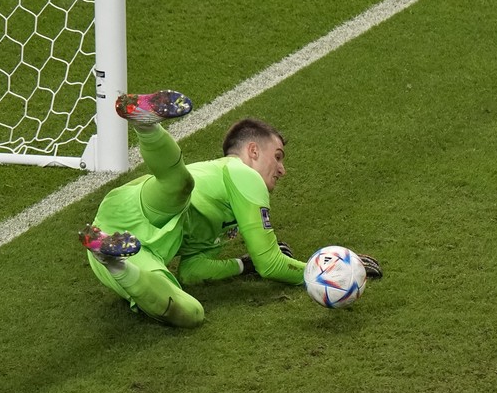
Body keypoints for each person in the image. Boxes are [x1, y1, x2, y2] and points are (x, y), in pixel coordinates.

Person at [80, 89, 382, 327]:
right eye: (277, 156)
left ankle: (110, 256)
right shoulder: (243, 175)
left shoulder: (225, 211)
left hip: (129, 250)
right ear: (252, 151)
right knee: (179, 186)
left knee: (191, 312)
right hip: (143, 207)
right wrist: (329, 275)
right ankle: (145, 123)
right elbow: (272, 264)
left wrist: (242, 265)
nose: (282, 169)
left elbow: (193, 272)